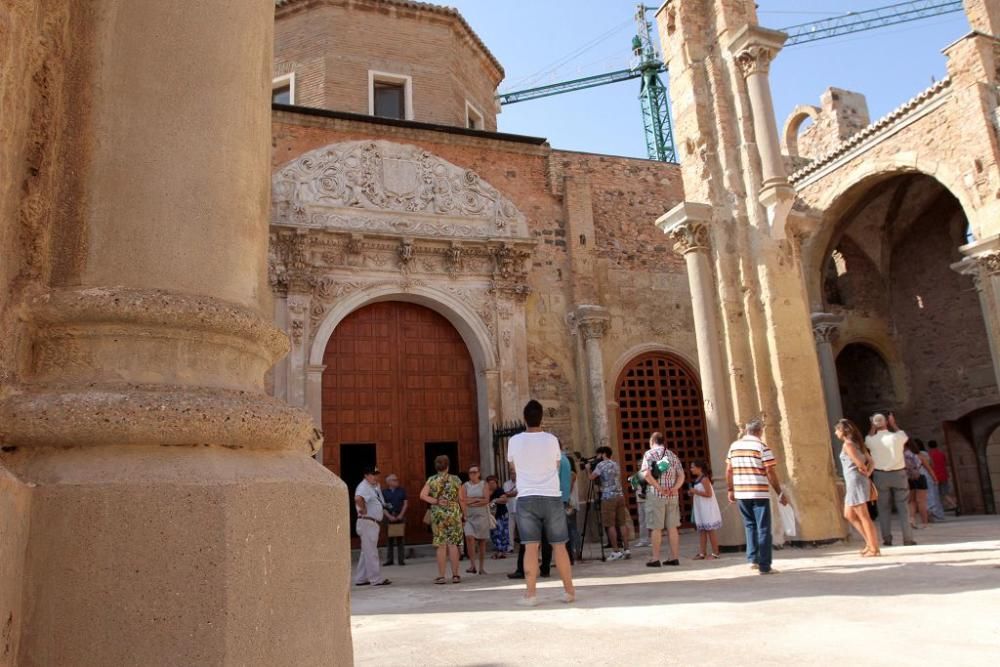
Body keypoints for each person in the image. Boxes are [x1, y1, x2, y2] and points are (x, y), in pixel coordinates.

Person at [506, 399, 576, 606]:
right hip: (551, 496)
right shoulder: (552, 440)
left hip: (527, 497)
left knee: (530, 547)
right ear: (541, 417)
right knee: (560, 546)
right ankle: (569, 591)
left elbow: (514, 467)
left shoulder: (514, 441)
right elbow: (556, 464)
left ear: (524, 418)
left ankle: (531, 594)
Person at [726, 418, 788, 575]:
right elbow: (770, 471)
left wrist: (730, 489)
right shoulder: (761, 447)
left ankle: (752, 559)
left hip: (741, 492)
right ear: (760, 431)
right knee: (764, 528)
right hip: (758, 491)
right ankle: (765, 566)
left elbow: (729, 470)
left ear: (747, 430)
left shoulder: (734, 446)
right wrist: (779, 492)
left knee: (750, 525)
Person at [865, 413, 916, 547]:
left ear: (874, 424)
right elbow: (903, 434)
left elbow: (868, 438)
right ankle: (908, 538)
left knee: (883, 508)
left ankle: (887, 538)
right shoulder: (897, 437)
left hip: (880, 475)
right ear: (887, 422)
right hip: (899, 474)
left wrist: (872, 426)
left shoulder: (871, 440)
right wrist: (893, 423)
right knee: (903, 507)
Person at [835, 419, 880, 557]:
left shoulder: (848, 445)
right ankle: (869, 543)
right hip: (857, 480)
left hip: (855, 481)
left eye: (837, 430)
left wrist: (864, 470)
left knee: (863, 516)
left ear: (843, 431)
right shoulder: (858, 443)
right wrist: (868, 472)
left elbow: (860, 463)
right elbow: (871, 461)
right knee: (848, 514)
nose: (835, 432)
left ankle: (874, 548)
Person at [641, 432, 684, 567]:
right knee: (672, 527)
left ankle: (655, 558)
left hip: (656, 495)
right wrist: (674, 488)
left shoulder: (649, 454)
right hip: (672, 495)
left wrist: (659, 488)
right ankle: (674, 557)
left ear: (652, 441)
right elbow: (681, 475)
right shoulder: (672, 455)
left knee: (656, 527)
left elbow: (646, 474)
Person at [419, 455, 463, 584]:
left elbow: (422, 495)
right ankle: (455, 575)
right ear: (448, 466)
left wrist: (436, 501)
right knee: (453, 544)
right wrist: (464, 514)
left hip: (438, 514)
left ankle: (442, 576)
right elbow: (461, 498)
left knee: (441, 545)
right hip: (453, 513)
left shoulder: (432, 480)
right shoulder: (456, 479)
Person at [586, 446, 630, 561]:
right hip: (620, 495)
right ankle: (627, 549)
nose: (597, 457)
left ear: (603, 454)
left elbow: (591, 477)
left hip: (608, 497)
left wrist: (588, 469)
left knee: (610, 524)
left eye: (599, 455)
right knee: (622, 523)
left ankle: (615, 551)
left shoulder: (601, 465)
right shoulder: (616, 464)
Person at [354, 466, 391, 586]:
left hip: (370, 523)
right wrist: (363, 509)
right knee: (371, 552)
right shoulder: (364, 486)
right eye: (373, 474)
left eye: (377, 474)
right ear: (366, 475)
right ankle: (376, 579)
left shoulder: (372, 486)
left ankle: (361, 578)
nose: (375, 477)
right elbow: (358, 498)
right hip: (367, 522)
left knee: (366, 551)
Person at [687, 460, 722, 560]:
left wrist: (695, 491)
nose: (691, 469)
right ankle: (702, 553)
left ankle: (716, 552)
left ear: (699, 468)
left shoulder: (704, 479)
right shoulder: (699, 479)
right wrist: (693, 492)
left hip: (707, 507)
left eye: (693, 467)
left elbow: (709, 494)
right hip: (701, 507)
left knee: (710, 530)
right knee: (702, 530)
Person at [460, 464, 491, 575]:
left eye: (474, 472)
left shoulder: (484, 484)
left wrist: (471, 500)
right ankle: (472, 565)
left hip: (482, 516)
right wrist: (477, 500)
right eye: (470, 473)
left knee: (482, 542)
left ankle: (481, 567)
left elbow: (486, 500)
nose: (472, 475)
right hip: (469, 516)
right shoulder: (465, 486)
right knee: (469, 537)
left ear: (479, 473)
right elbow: (463, 500)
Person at [382, 473, 408, 566]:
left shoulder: (402, 490)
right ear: (389, 482)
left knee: (400, 539)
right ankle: (390, 560)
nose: (397, 481)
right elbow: (382, 506)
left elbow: (405, 503)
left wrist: (401, 515)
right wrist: (389, 516)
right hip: (389, 517)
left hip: (399, 516)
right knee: (389, 540)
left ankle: (401, 560)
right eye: (394, 480)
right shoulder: (384, 492)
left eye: (397, 479)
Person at [916, 439, 945, 521]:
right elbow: (932, 464)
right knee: (933, 495)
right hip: (927, 475)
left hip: (921, 475)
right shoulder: (926, 454)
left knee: (924, 496)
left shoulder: (918, 454)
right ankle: (935, 513)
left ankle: (929, 514)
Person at [905, 440, 931, 529]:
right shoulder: (920, 455)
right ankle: (924, 523)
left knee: (911, 501)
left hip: (909, 479)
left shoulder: (903, 456)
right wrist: (935, 479)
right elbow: (928, 468)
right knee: (921, 501)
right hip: (920, 477)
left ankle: (912, 519)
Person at [927, 440, 958, 512]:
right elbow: (945, 463)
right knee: (945, 493)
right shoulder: (941, 454)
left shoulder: (929, 455)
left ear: (929, 446)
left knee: (935, 494)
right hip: (943, 475)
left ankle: (938, 509)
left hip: (934, 476)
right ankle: (954, 504)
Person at [487, 475, 510, 558]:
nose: (491, 485)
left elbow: (505, 499)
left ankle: (502, 551)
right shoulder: (486, 492)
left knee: (501, 533)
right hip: (491, 516)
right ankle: (498, 550)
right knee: (493, 534)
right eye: (490, 483)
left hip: (501, 515)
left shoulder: (499, 490)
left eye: (493, 483)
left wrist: (495, 500)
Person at [502, 471, 518, 555]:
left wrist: (511, 493)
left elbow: (517, 493)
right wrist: (512, 493)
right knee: (510, 529)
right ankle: (511, 546)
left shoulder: (521, 482)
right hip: (510, 509)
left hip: (520, 510)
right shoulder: (506, 484)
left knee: (522, 529)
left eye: (514, 473)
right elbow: (506, 494)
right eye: (511, 473)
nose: (513, 475)